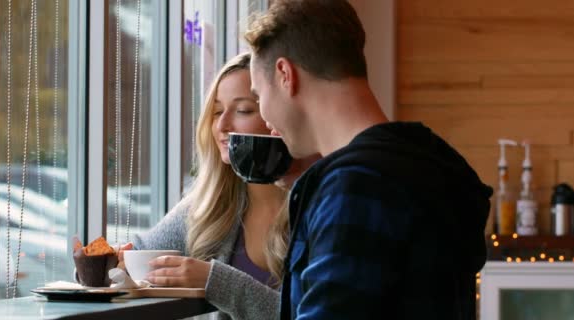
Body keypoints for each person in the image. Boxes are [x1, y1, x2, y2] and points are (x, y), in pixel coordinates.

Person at [244, 1, 493, 319]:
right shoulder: (424, 164)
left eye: (257, 95)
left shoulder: (355, 186)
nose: (263, 116)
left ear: (284, 74)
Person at [119, 52, 301, 320]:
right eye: (216, 112)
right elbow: (140, 255)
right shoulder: (210, 203)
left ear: (276, 119)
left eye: (242, 110)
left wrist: (216, 281)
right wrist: (104, 262)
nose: (223, 125)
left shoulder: (314, 206)